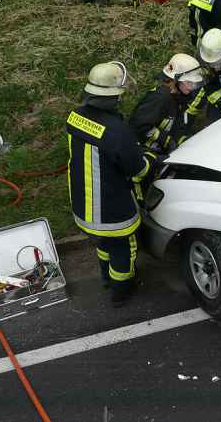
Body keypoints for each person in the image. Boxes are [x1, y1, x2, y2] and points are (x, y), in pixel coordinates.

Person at [66, 61, 150, 306]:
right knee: (124, 249)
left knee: (104, 244)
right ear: (114, 97)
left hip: (84, 208)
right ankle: (121, 291)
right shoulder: (117, 131)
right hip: (114, 213)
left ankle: (106, 278)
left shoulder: (75, 118)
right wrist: (149, 159)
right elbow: (139, 169)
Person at [129, 53, 206, 156]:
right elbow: (140, 125)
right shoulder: (160, 99)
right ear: (175, 80)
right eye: (189, 82)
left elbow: (176, 124)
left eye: (194, 83)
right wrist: (166, 141)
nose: (191, 87)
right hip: (141, 152)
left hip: (159, 151)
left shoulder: (178, 97)